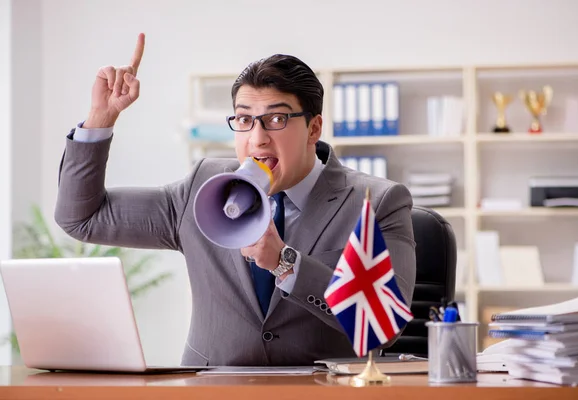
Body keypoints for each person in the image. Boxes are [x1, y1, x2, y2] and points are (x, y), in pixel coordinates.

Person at [54, 33, 417, 366]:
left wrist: (286, 263)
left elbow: (383, 325)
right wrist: (102, 118)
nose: (257, 139)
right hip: (214, 388)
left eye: (275, 118)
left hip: (319, 389)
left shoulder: (377, 202)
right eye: (244, 120)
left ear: (314, 128)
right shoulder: (203, 186)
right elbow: (83, 218)